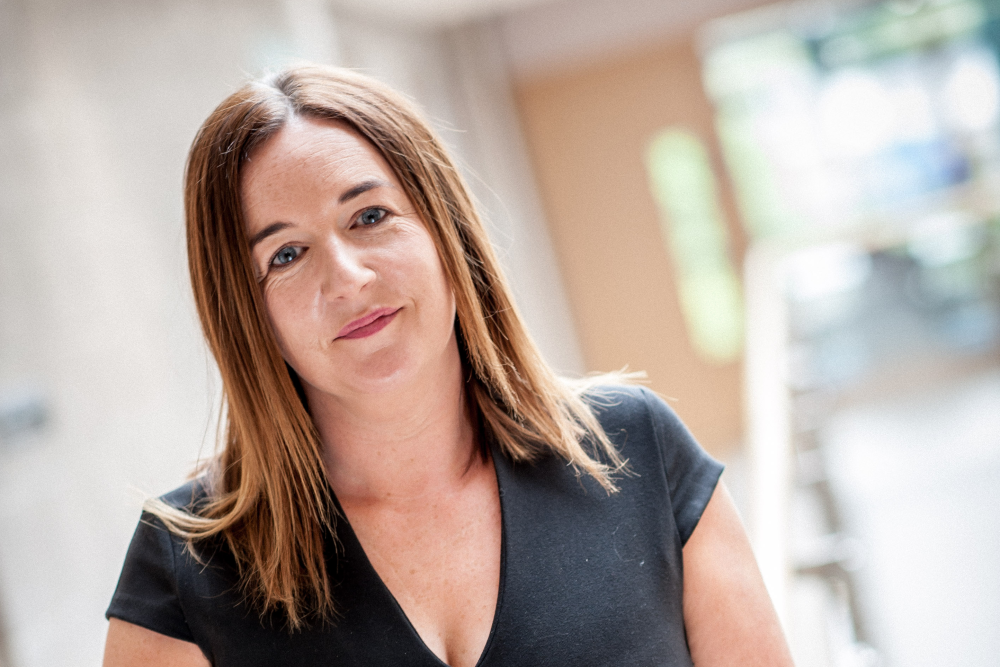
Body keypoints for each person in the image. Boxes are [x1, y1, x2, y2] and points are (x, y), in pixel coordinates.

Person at [102, 65, 793, 667]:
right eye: (284, 254)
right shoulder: (184, 566)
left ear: (445, 231)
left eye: (370, 215)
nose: (346, 278)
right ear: (247, 315)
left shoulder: (635, 448)